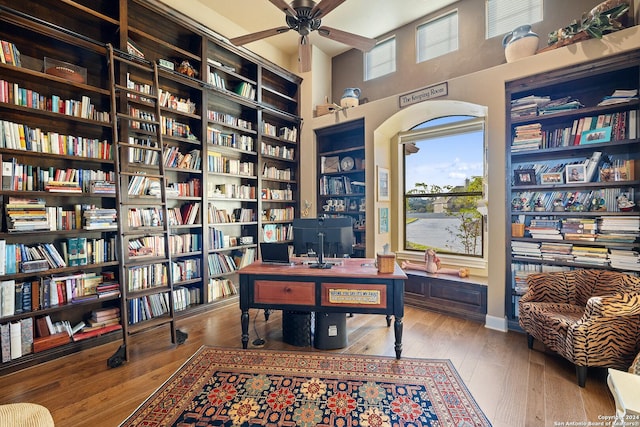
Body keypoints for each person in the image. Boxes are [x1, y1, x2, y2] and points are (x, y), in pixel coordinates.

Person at [401, 249, 469, 278]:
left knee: (421, 267)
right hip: (432, 269)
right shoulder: (433, 257)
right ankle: (408, 264)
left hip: (432, 269)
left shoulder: (430, 256)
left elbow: (428, 259)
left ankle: (407, 265)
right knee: (422, 267)